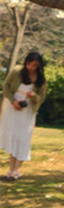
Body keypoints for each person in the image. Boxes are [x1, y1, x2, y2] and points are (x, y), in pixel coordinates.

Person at [0, 51, 48, 181]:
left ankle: (17, 170)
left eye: (34, 65)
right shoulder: (16, 71)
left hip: (27, 110)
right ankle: (11, 170)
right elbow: (6, 87)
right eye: (29, 64)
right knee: (13, 137)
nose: (30, 68)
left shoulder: (41, 79)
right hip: (11, 106)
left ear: (39, 66)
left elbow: (41, 98)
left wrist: (34, 96)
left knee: (23, 138)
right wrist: (13, 101)